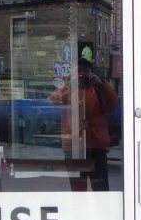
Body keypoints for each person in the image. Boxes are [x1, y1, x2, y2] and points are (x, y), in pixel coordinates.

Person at [49, 46, 118, 191]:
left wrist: (102, 85)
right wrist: (69, 85)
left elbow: (112, 104)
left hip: (96, 146)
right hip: (74, 146)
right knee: (78, 191)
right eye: (79, 70)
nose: (82, 74)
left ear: (91, 72)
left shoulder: (98, 88)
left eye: (86, 70)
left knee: (100, 190)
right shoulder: (68, 89)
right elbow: (52, 102)